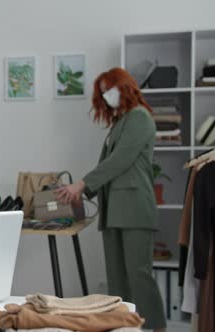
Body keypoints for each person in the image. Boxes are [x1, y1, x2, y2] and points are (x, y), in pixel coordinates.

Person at [56, 68, 166, 331]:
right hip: (114, 210)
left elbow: (120, 160)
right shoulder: (120, 122)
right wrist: (79, 192)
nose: (107, 96)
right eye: (103, 92)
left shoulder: (139, 118)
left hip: (135, 209)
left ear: (124, 86)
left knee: (139, 275)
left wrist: (82, 185)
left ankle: (156, 327)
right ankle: (124, 325)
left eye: (110, 89)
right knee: (117, 278)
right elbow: (108, 164)